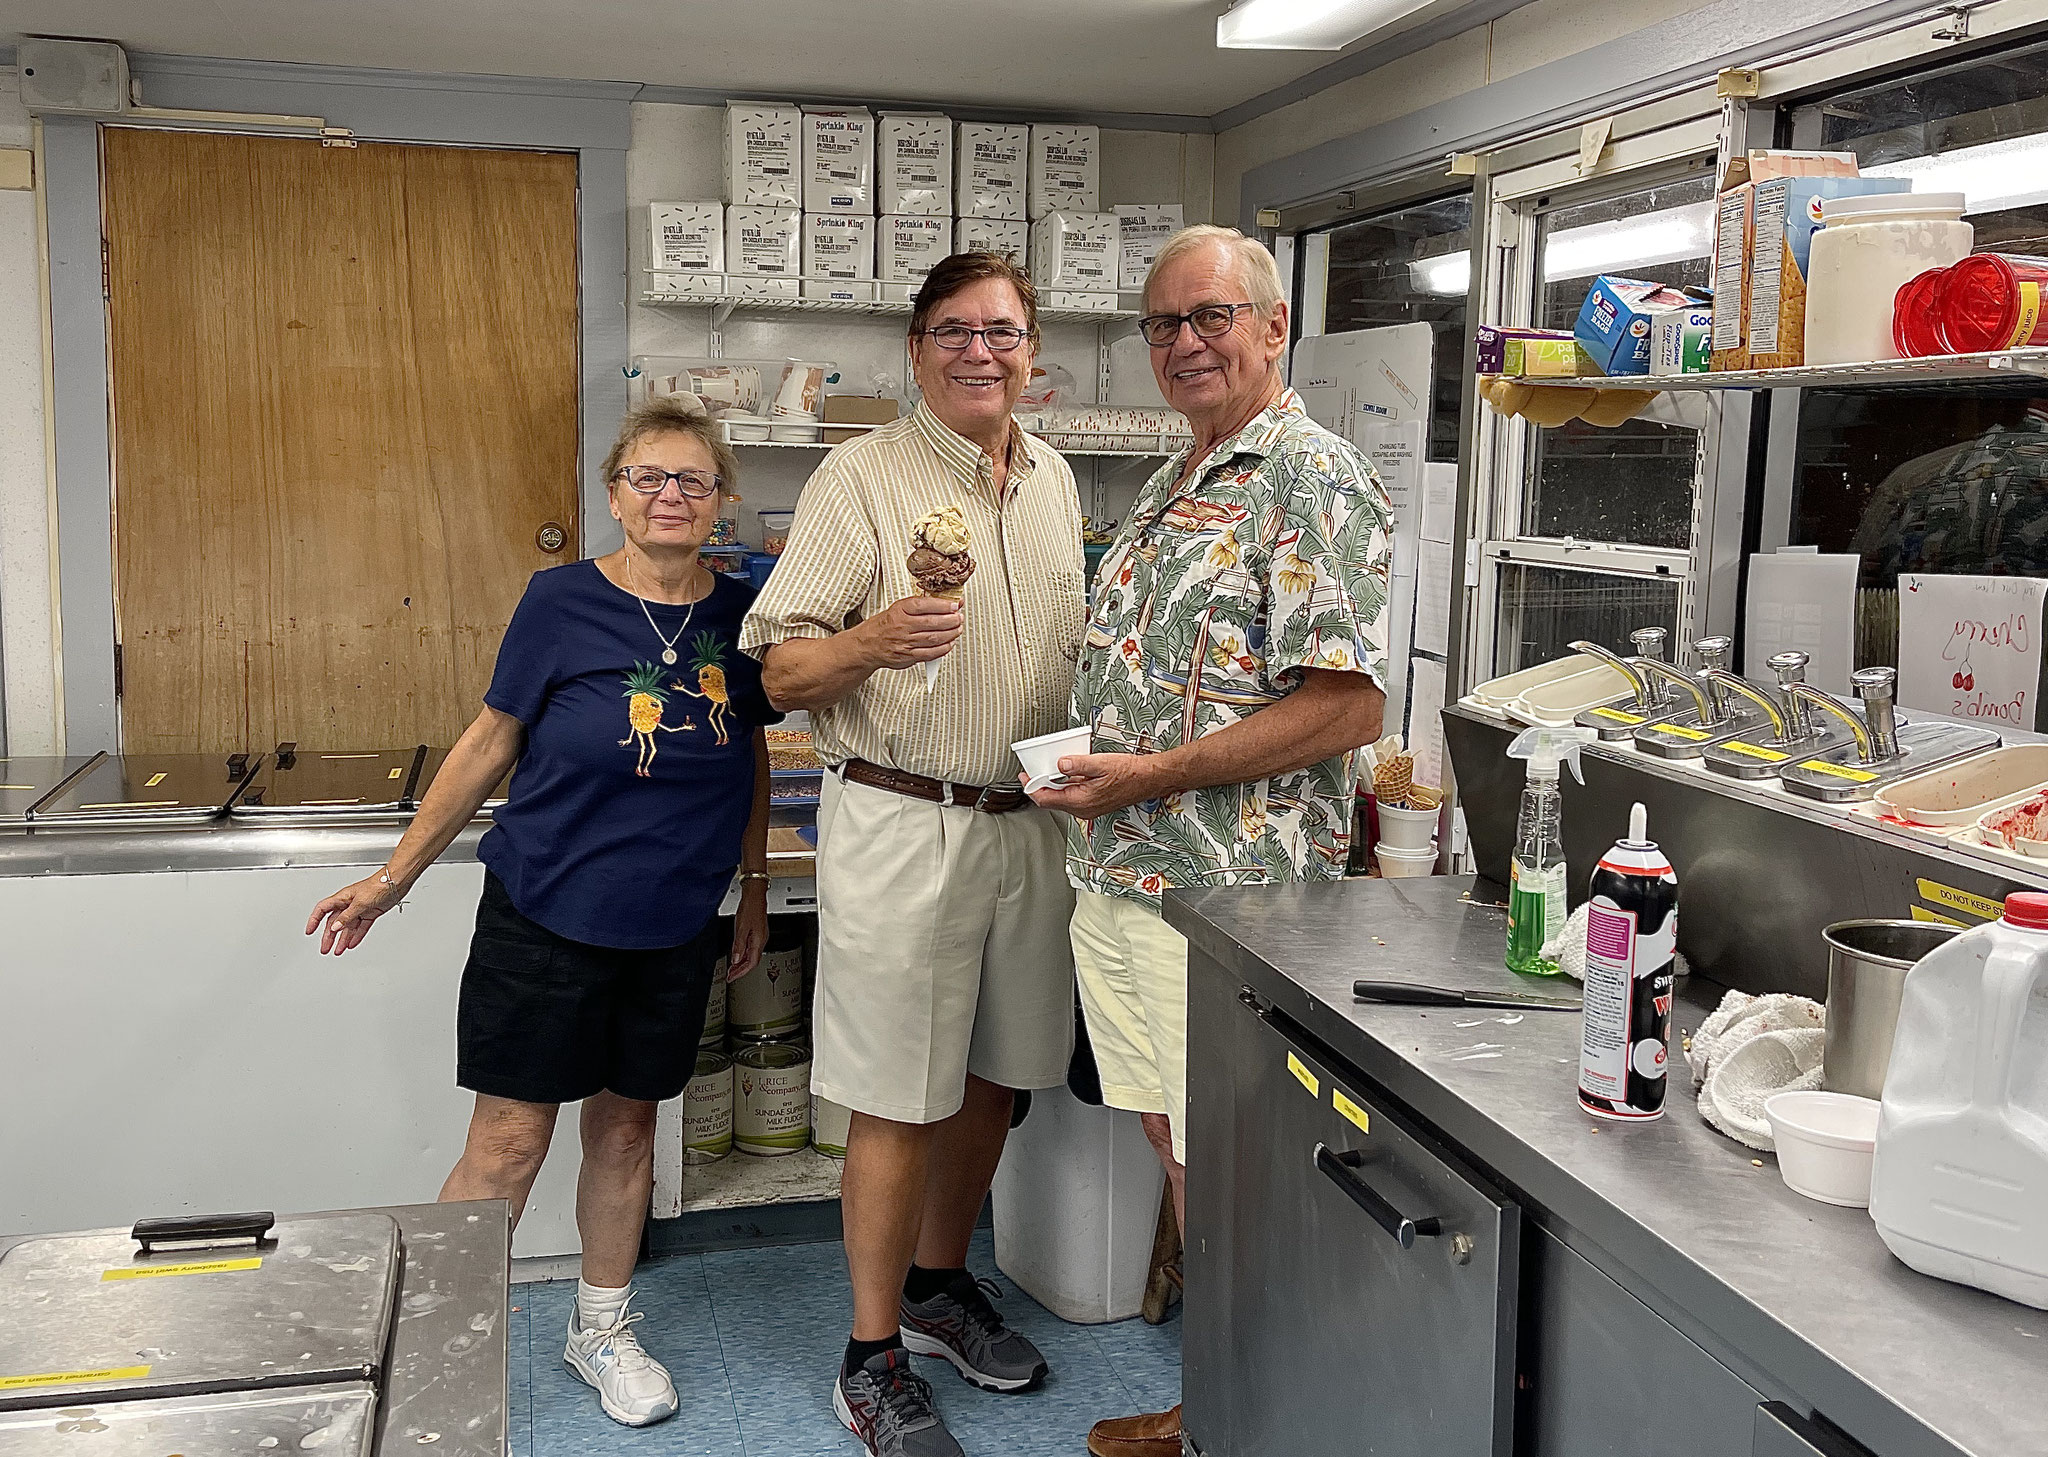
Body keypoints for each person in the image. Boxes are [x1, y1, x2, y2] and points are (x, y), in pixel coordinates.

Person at [305, 396, 777, 1430]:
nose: (668, 495)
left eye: (691, 478)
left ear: (719, 501)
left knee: (625, 1133)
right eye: (647, 476)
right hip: (546, 906)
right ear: (613, 493)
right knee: (509, 1141)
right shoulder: (559, 600)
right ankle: (425, 1334)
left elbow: (745, 756)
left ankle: (599, 1326)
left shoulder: (743, 615)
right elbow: (489, 739)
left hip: (673, 919)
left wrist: (750, 887)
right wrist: (393, 877)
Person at [1029, 225, 1393, 1457]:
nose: (1183, 342)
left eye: (1210, 317)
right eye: (1162, 324)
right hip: (1127, 878)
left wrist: (1153, 772)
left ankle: (1269, 1415)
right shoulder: (1179, 473)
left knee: (1234, 1162)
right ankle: (1222, 1405)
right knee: (1177, 1146)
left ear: (1274, 323)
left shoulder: (1309, 475)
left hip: (1229, 903)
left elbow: (1345, 703)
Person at [741, 252, 1086, 1457]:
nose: (978, 353)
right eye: (952, 332)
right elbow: (777, 669)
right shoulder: (863, 478)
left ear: (1031, 349)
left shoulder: (1055, 483)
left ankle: (941, 1281)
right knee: (897, 1095)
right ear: (916, 349)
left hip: (1031, 817)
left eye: (999, 331)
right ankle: (871, 1350)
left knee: (997, 1076)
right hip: (902, 814)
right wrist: (874, 639)